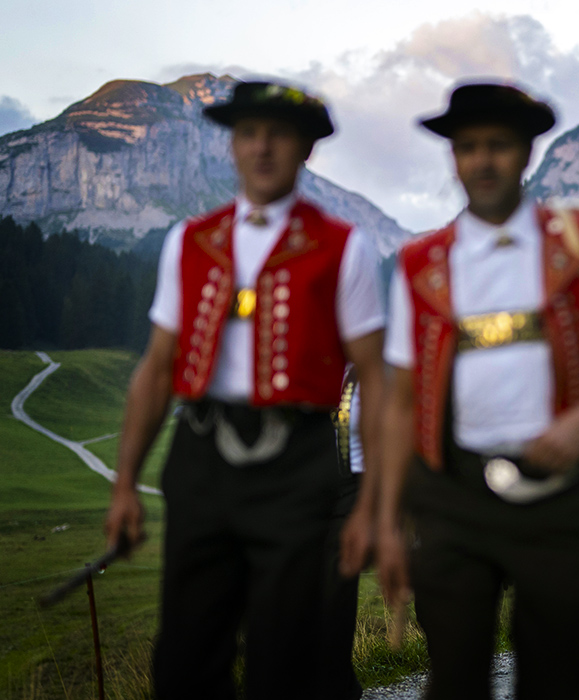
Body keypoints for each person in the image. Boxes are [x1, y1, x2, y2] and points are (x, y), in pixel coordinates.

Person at [339, 82, 579, 700]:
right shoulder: (420, 264)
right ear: (453, 158)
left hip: (561, 494)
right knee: (455, 678)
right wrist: (384, 516)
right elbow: (400, 400)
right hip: (453, 496)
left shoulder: (578, 246)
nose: (483, 160)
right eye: (468, 147)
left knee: (557, 678)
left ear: (526, 153)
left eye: (499, 145)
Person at [102, 80, 386, 700]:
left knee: (282, 659)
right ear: (231, 145)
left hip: (297, 465)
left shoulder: (345, 248)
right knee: (184, 657)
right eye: (248, 133)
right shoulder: (189, 241)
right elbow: (157, 368)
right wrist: (124, 483)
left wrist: (371, 506)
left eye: (279, 134)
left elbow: (376, 381)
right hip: (201, 459)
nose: (262, 147)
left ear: (306, 149)